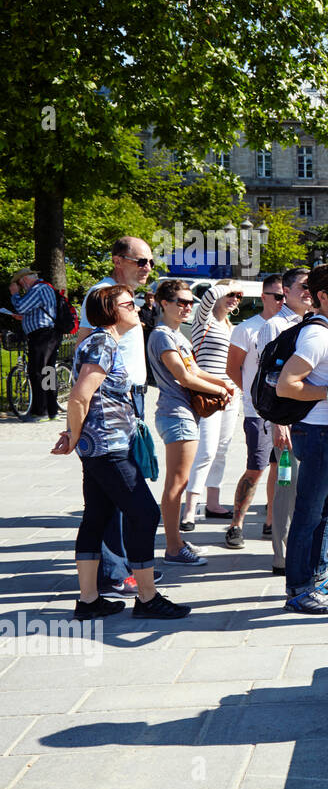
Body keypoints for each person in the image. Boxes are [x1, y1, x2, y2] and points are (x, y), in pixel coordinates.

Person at [54, 285, 189, 620]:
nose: (138, 308)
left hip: (100, 445)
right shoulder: (101, 342)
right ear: (111, 312)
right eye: (129, 304)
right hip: (109, 446)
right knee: (144, 513)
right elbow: (79, 396)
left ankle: (88, 601)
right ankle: (146, 597)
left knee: (96, 517)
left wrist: (77, 435)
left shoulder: (101, 342)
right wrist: (72, 434)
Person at [276, 262, 328, 614]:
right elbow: (286, 385)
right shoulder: (318, 334)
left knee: (326, 504)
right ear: (322, 297)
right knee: (308, 512)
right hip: (316, 431)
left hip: (325, 432)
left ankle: (317, 573)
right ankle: (299, 588)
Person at [76, 237, 155, 597]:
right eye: (141, 261)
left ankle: (101, 588)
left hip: (125, 407)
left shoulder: (122, 299)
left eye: (151, 262)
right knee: (128, 502)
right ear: (117, 260)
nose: (147, 269)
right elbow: (83, 382)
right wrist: (73, 433)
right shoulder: (104, 298)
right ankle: (123, 576)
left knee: (105, 504)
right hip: (105, 421)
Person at [147, 279, 234, 567]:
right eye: (180, 302)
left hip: (185, 413)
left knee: (180, 481)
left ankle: (177, 542)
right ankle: (173, 548)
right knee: (177, 483)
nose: (187, 307)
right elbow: (183, 377)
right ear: (164, 304)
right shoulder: (162, 335)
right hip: (176, 413)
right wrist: (220, 390)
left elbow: (194, 369)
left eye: (189, 302)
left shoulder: (177, 335)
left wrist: (222, 382)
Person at [254, 267, 311, 576]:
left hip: (309, 421)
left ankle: (301, 552)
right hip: (285, 423)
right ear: (285, 291)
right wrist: (277, 422)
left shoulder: (311, 323)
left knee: (306, 490)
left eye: (310, 286)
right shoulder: (275, 326)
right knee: (287, 488)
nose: (308, 291)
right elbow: (269, 380)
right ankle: (284, 556)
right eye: (302, 286)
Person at [225, 274, 284, 547]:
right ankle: (236, 523)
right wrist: (254, 396)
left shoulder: (292, 326)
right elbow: (232, 367)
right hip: (257, 413)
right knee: (256, 468)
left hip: (287, 414)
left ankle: (271, 521)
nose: (282, 301)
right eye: (277, 296)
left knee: (281, 470)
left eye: (285, 296)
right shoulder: (247, 329)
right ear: (264, 297)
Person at [182, 282, 243, 530]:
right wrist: (228, 286)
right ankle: (189, 509)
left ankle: (213, 503)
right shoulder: (203, 320)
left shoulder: (231, 326)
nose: (235, 299)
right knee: (205, 451)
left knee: (221, 449)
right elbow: (207, 295)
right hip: (209, 394)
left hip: (231, 395)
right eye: (230, 295)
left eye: (238, 296)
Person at [8, 268, 61, 421]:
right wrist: (24, 317)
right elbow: (32, 310)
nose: (21, 286)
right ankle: (52, 410)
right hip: (49, 334)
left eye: (19, 283)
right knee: (48, 371)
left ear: (24, 279)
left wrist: (15, 295)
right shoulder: (44, 288)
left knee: (37, 371)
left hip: (42, 335)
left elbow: (21, 306)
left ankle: (41, 411)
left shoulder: (37, 288)